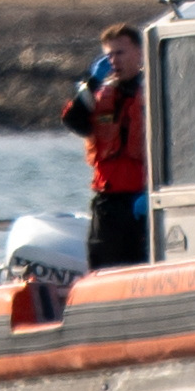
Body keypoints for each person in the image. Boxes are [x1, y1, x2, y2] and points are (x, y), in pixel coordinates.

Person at [65, 21, 148, 268]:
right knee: (102, 267)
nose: (114, 61)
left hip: (142, 201)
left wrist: (151, 194)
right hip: (108, 203)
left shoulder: (154, 90)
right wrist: (91, 83)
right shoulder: (100, 95)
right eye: (109, 55)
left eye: (120, 53)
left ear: (140, 53)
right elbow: (74, 120)